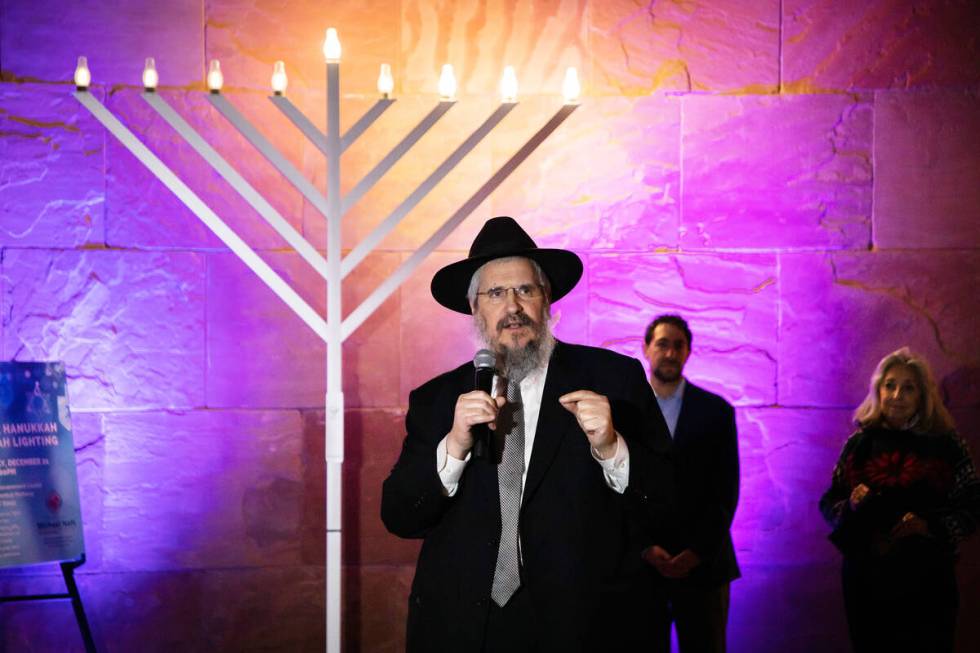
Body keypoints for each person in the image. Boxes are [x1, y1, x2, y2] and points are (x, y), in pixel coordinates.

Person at [381, 216, 672, 653]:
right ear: (475, 309)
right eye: (496, 294)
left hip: (584, 628)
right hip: (465, 630)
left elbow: (671, 509)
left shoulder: (614, 380)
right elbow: (400, 516)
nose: (512, 306)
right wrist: (454, 446)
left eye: (526, 290)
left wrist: (613, 449)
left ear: (547, 300)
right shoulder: (438, 399)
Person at [819, 347, 980, 653]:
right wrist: (850, 505)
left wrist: (928, 526)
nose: (897, 395)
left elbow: (973, 503)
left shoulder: (946, 443)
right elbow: (829, 501)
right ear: (878, 390)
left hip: (927, 578)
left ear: (922, 395)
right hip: (868, 578)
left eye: (909, 388)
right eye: (889, 385)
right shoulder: (860, 442)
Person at [639, 314, 740, 653]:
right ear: (646, 348)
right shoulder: (623, 411)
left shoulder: (717, 412)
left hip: (704, 567)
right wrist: (644, 547)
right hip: (642, 568)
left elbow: (726, 491)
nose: (670, 352)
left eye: (678, 345)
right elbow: (613, 490)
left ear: (689, 352)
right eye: (662, 344)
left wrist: (696, 552)